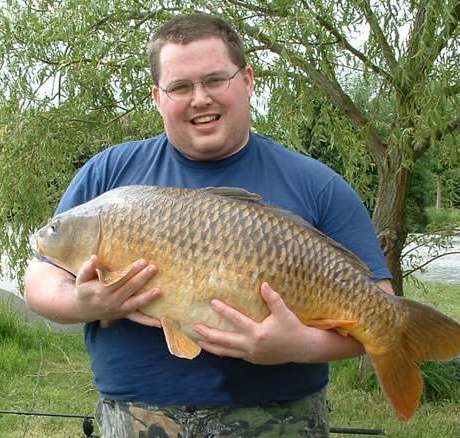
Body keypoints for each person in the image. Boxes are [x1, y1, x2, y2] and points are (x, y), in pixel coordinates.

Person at [25, 13, 393, 438]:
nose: (200, 98)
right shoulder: (108, 175)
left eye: (215, 80)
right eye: (180, 86)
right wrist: (86, 304)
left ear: (248, 80)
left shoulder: (318, 185)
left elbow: (380, 308)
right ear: (158, 96)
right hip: (136, 419)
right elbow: (39, 279)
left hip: (280, 418)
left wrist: (298, 347)